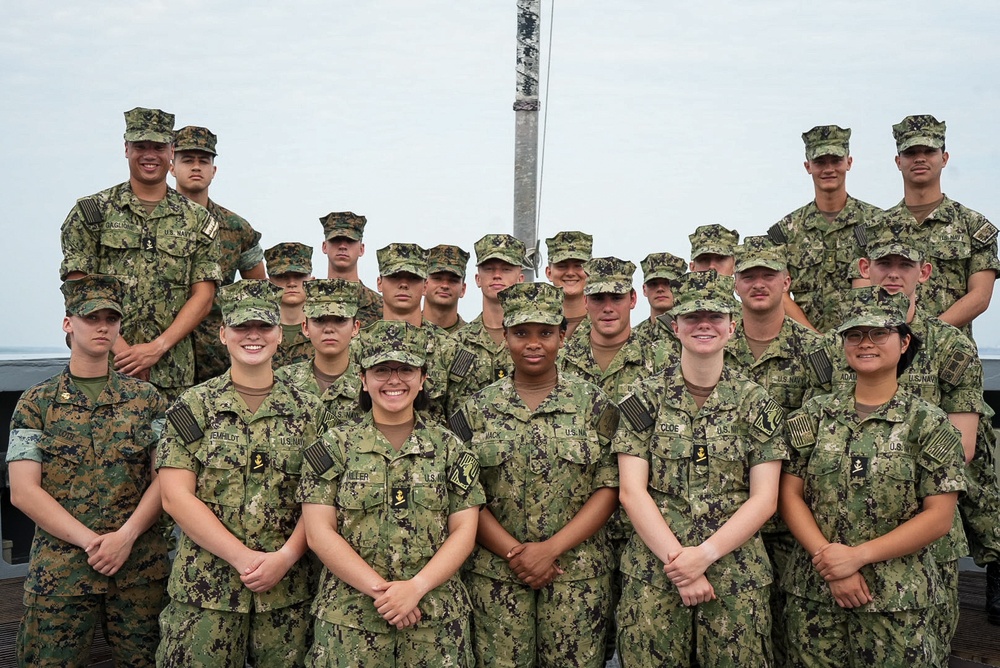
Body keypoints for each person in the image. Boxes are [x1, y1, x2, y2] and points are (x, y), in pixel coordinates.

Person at [780, 287, 966, 666]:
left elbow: (939, 517)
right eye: (855, 334)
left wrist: (857, 557)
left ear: (904, 342)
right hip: (817, 594)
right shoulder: (813, 415)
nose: (865, 343)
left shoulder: (928, 422)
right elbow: (789, 495)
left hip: (897, 601)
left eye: (879, 333)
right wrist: (830, 562)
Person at [614, 269, 786, 666]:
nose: (703, 325)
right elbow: (631, 491)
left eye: (715, 317)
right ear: (676, 327)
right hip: (655, 576)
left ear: (731, 328)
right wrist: (682, 564)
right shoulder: (645, 398)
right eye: (692, 317)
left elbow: (765, 499)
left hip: (735, 578)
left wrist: (704, 556)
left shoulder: (756, 401)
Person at [449, 281, 621, 668]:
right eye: (521, 333)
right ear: (505, 336)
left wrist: (550, 549)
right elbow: (464, 495)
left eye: (545, 333)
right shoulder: (474, 411)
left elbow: (610, 487)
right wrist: (515, 553)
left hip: (577, 576)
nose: (533, 343)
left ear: (562, 336)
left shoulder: (594, 405)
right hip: (496, 577)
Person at [156, 279, 326, 667]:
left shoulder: (309, 411)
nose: (253, 336)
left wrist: (283, 558)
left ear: (279, 335)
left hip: (286, 592)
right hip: (205, 591)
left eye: (264, 327)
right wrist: (243, 558)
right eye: (241, 327)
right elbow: (175, 496)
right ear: (222, 334)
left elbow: (320, 500)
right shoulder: (194, 406)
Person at [299, 320, 484, 666]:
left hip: (435, 619)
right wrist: (384, 593)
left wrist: (415, 588)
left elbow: (464, 531)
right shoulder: (333, 446)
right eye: (382, 370)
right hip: (350, 621)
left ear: (423, 377)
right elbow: (318, 532)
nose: (394, 380)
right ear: (363, 379)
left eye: (406, 369)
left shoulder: (450, 448)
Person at [7, 275, 169, 667]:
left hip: (139, 567)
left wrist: (125, 537)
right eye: (90, 317)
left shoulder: (146, 400)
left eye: (110, 319)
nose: (101, 327)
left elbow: (166, 479)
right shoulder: (36, 403)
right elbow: (23, 491)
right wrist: (93, 543)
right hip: (61, 571)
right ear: (68, 323)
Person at [60, 107, 222, 401]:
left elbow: (204, 296)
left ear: (171, 151)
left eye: (158, 147)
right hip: (103, 368)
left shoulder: (198, 221)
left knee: (169, 447)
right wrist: (121, 350)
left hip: (172, 373)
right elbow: (79, 290)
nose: (150, 154)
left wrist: (156, 348)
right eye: (140, 146)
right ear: (126, 149)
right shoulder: (92, 213)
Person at [725, 236, 821, 666]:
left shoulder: (817, 353)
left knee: (794, 637)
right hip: (726, 516)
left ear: (787, 281)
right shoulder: (710, 347)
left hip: (793, 517)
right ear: (735, 283)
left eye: (768, 275)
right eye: (749, 275)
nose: (758, 284)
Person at [861, 115, 1000, 339]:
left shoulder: (972, 225)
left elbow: (981, 296)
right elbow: (863, 291)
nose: (920, 159)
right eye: (911, 153)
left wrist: (922, 335)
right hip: (890, 354)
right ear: (898, 161)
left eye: (929, 151)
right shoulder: (874, 229)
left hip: (950, 355)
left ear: (944, 158)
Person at [171, 125, 266, 383]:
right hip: (161, 356)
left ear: (214, 170)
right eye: (187, 160)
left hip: (217, 359)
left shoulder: (236, 228)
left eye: (204, 161)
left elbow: (258, 294)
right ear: (172, 166)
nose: (196, 167)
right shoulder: (152, 224)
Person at [768, 125, 882, 333]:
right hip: (804, 346)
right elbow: (778, 293)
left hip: (865, 341)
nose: (828, 169)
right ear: (807, 166)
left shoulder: (877, 223)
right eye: (820, 162)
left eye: (836, 161)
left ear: (849, 162)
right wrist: (813, 338)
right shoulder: (785, 231)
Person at [375, 243, 488, 422]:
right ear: (379, 283)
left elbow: (464, 420)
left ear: (424, 285)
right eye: (394, 277)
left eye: (413, 278)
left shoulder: (452, 349)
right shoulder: (360, 346)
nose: (403, 284)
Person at [274, 278, 363, 427]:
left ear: (355, 327)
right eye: (319, 320)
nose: (329, 329)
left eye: (340, 320)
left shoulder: (368, 385)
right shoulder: (282, 381)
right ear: (305, 328)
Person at [456, 234, 527, 383]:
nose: (496, 275)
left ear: (520, 279)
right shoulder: (457, 343)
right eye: (489, 269)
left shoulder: (535, 343)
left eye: (506, 269)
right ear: (478, 279)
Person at [320, 211, 383, 327]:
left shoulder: (380, 307)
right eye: (336, 240)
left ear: (361, 249)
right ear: (324, 247)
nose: (343, 246)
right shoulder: (312, 301)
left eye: (350, 241)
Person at [265, 242, 316, 369]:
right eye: (282, 276)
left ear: (312, 281)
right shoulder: (258, 331)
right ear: (268, 284)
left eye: (299, 276)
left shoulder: (323, 331)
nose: (291, 283)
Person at [632, 251, 687, 356]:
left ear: (681, 287)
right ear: (644, 289)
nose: (660, 289)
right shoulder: (633, 337)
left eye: (668, 283)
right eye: (653, 284)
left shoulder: (692, 333)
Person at [544, 231, 593, 338]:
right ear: (549, 273)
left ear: (591, 271)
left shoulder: (604, 324)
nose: (570, 273)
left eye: (578, 266)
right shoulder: (536, 323)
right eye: (562, 266)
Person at [422, 244, 471, 333]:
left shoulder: (474, 338)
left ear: (463, 290)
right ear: (423, 285)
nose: (445, 286)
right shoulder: (403, 333)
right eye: (437, 278)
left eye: (453, 280)